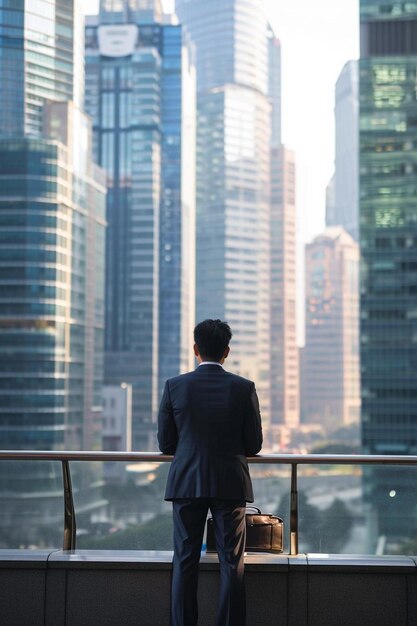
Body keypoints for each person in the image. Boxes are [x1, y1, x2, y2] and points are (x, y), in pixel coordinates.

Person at [157, 318, 263, 626]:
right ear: (227, 351)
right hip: (229, 483)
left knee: (184, 561)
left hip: (187, 481)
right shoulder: (244, 388)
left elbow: (166, 444)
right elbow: (254, 445)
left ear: (195, 349)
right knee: (232, 562)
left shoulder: (174, 386)